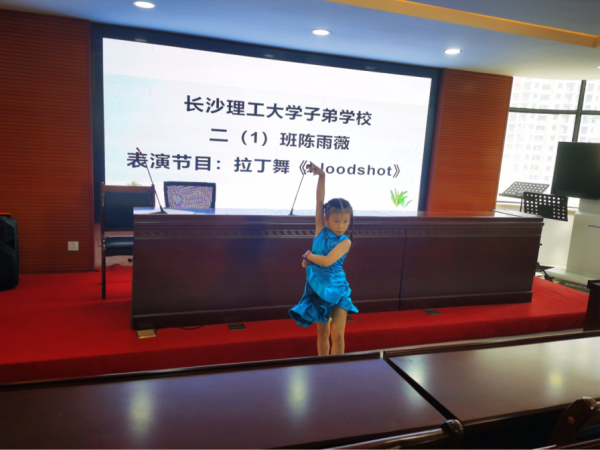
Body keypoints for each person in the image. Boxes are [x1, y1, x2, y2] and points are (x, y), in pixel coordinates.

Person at [289, 162, 358, 355]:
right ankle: (322, 366)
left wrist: (309, 256)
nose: (341, 226)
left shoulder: (345, 242)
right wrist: (322, 176)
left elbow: (327, 261)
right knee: (322, 334)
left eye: (346, 221)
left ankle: (337, 369)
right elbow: (319, 201)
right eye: (336, 221)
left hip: (337, 288)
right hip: (318, 288)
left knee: (338, 336)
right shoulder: (320, 229)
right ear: (326, 219)